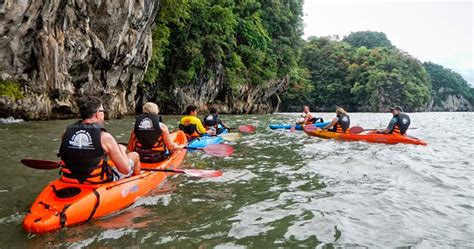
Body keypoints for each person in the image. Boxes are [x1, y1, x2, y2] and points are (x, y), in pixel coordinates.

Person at [59, 96, 141, 184]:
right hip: (95, 182)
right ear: (98, 113)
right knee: (135, 155)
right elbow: (125, 169)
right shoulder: (105, 137)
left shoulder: (66, 133)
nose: (104, 114)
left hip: (68, 180)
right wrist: (122, 151)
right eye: (103, 111)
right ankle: (137, 184)